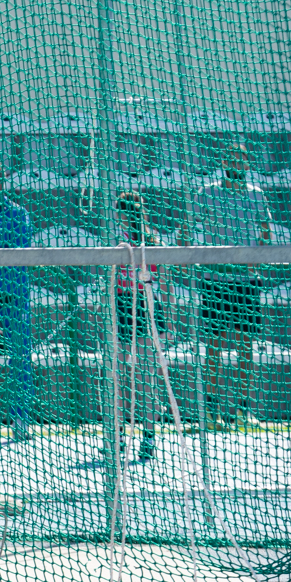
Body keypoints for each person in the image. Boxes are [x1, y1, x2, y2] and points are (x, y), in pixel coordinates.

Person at [185, 144, 272, 428]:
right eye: (231, 159)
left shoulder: (257, 195)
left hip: (246, 282)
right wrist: (188, 256)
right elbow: (187, 228)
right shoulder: (206, 193)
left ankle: (243, 411)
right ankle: (211, 412)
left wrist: (257, 259)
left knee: (246, 345)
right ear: (223, 162)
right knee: (214, 345)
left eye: (241, 160)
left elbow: (266, 233)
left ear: (248, 164)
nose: (236, 164)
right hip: (215, 280)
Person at [0, 162, 37, 440]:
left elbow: (17, 245)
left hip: (13, 294)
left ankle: (21, 418)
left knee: (21, 357)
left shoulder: (17, 213)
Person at [114, 190, 164, 462]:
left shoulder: (146, 240)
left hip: (140, 303)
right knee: (133, 374)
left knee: (136, 375)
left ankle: (140, 436)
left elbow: (162, 278)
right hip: (130, 303)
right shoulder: (123, 240)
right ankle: (135, 436)